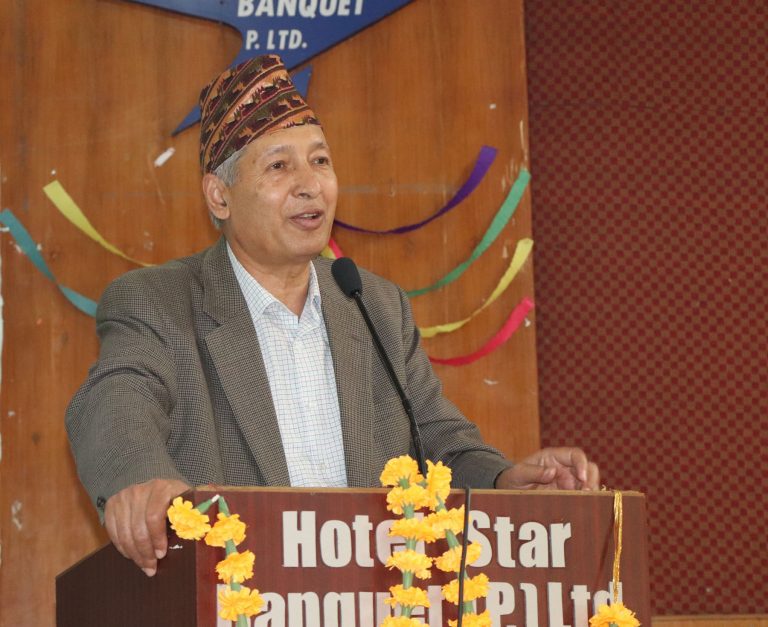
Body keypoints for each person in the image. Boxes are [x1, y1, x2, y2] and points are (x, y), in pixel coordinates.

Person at [66, 54, 599, 578]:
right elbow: (118, 398)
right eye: (279, 166)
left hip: (370, 599)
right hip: (235, 596)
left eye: (320, 161)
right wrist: (140, 479)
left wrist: (505, 482)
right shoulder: (161, 301)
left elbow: (438, 441)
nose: (310, 184)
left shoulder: (374, 305)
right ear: (219, 196)